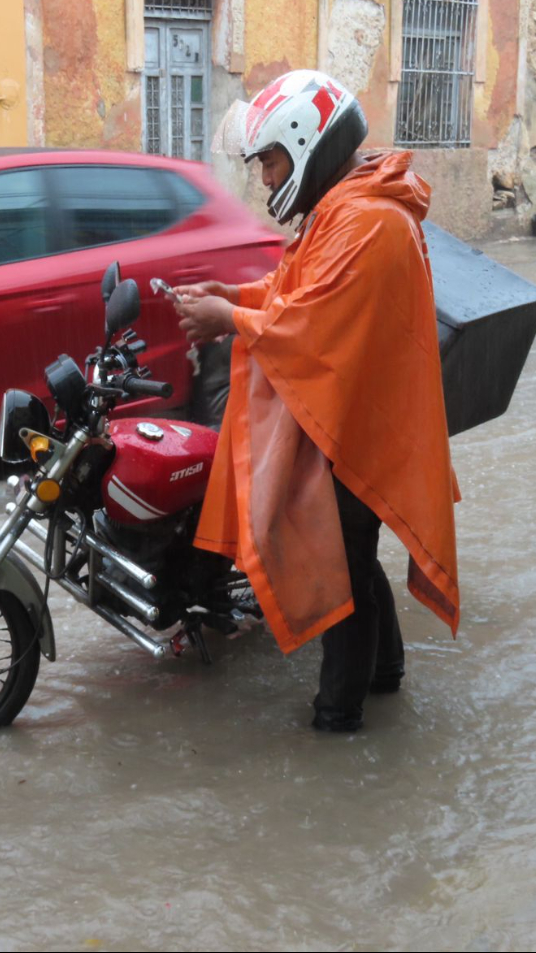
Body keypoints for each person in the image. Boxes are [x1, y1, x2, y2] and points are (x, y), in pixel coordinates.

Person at [173, 69, 460, 732]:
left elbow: (309, 326)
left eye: (270, 161)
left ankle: (338, 717)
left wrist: (227, 319)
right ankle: (384, 675)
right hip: (359, 417)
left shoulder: (366, 220)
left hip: (364, 426)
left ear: (306, 142)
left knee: (345, 571)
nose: (268, 180)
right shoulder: (348, 206)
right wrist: (237, 296)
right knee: (357, 560)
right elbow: (297, 288)